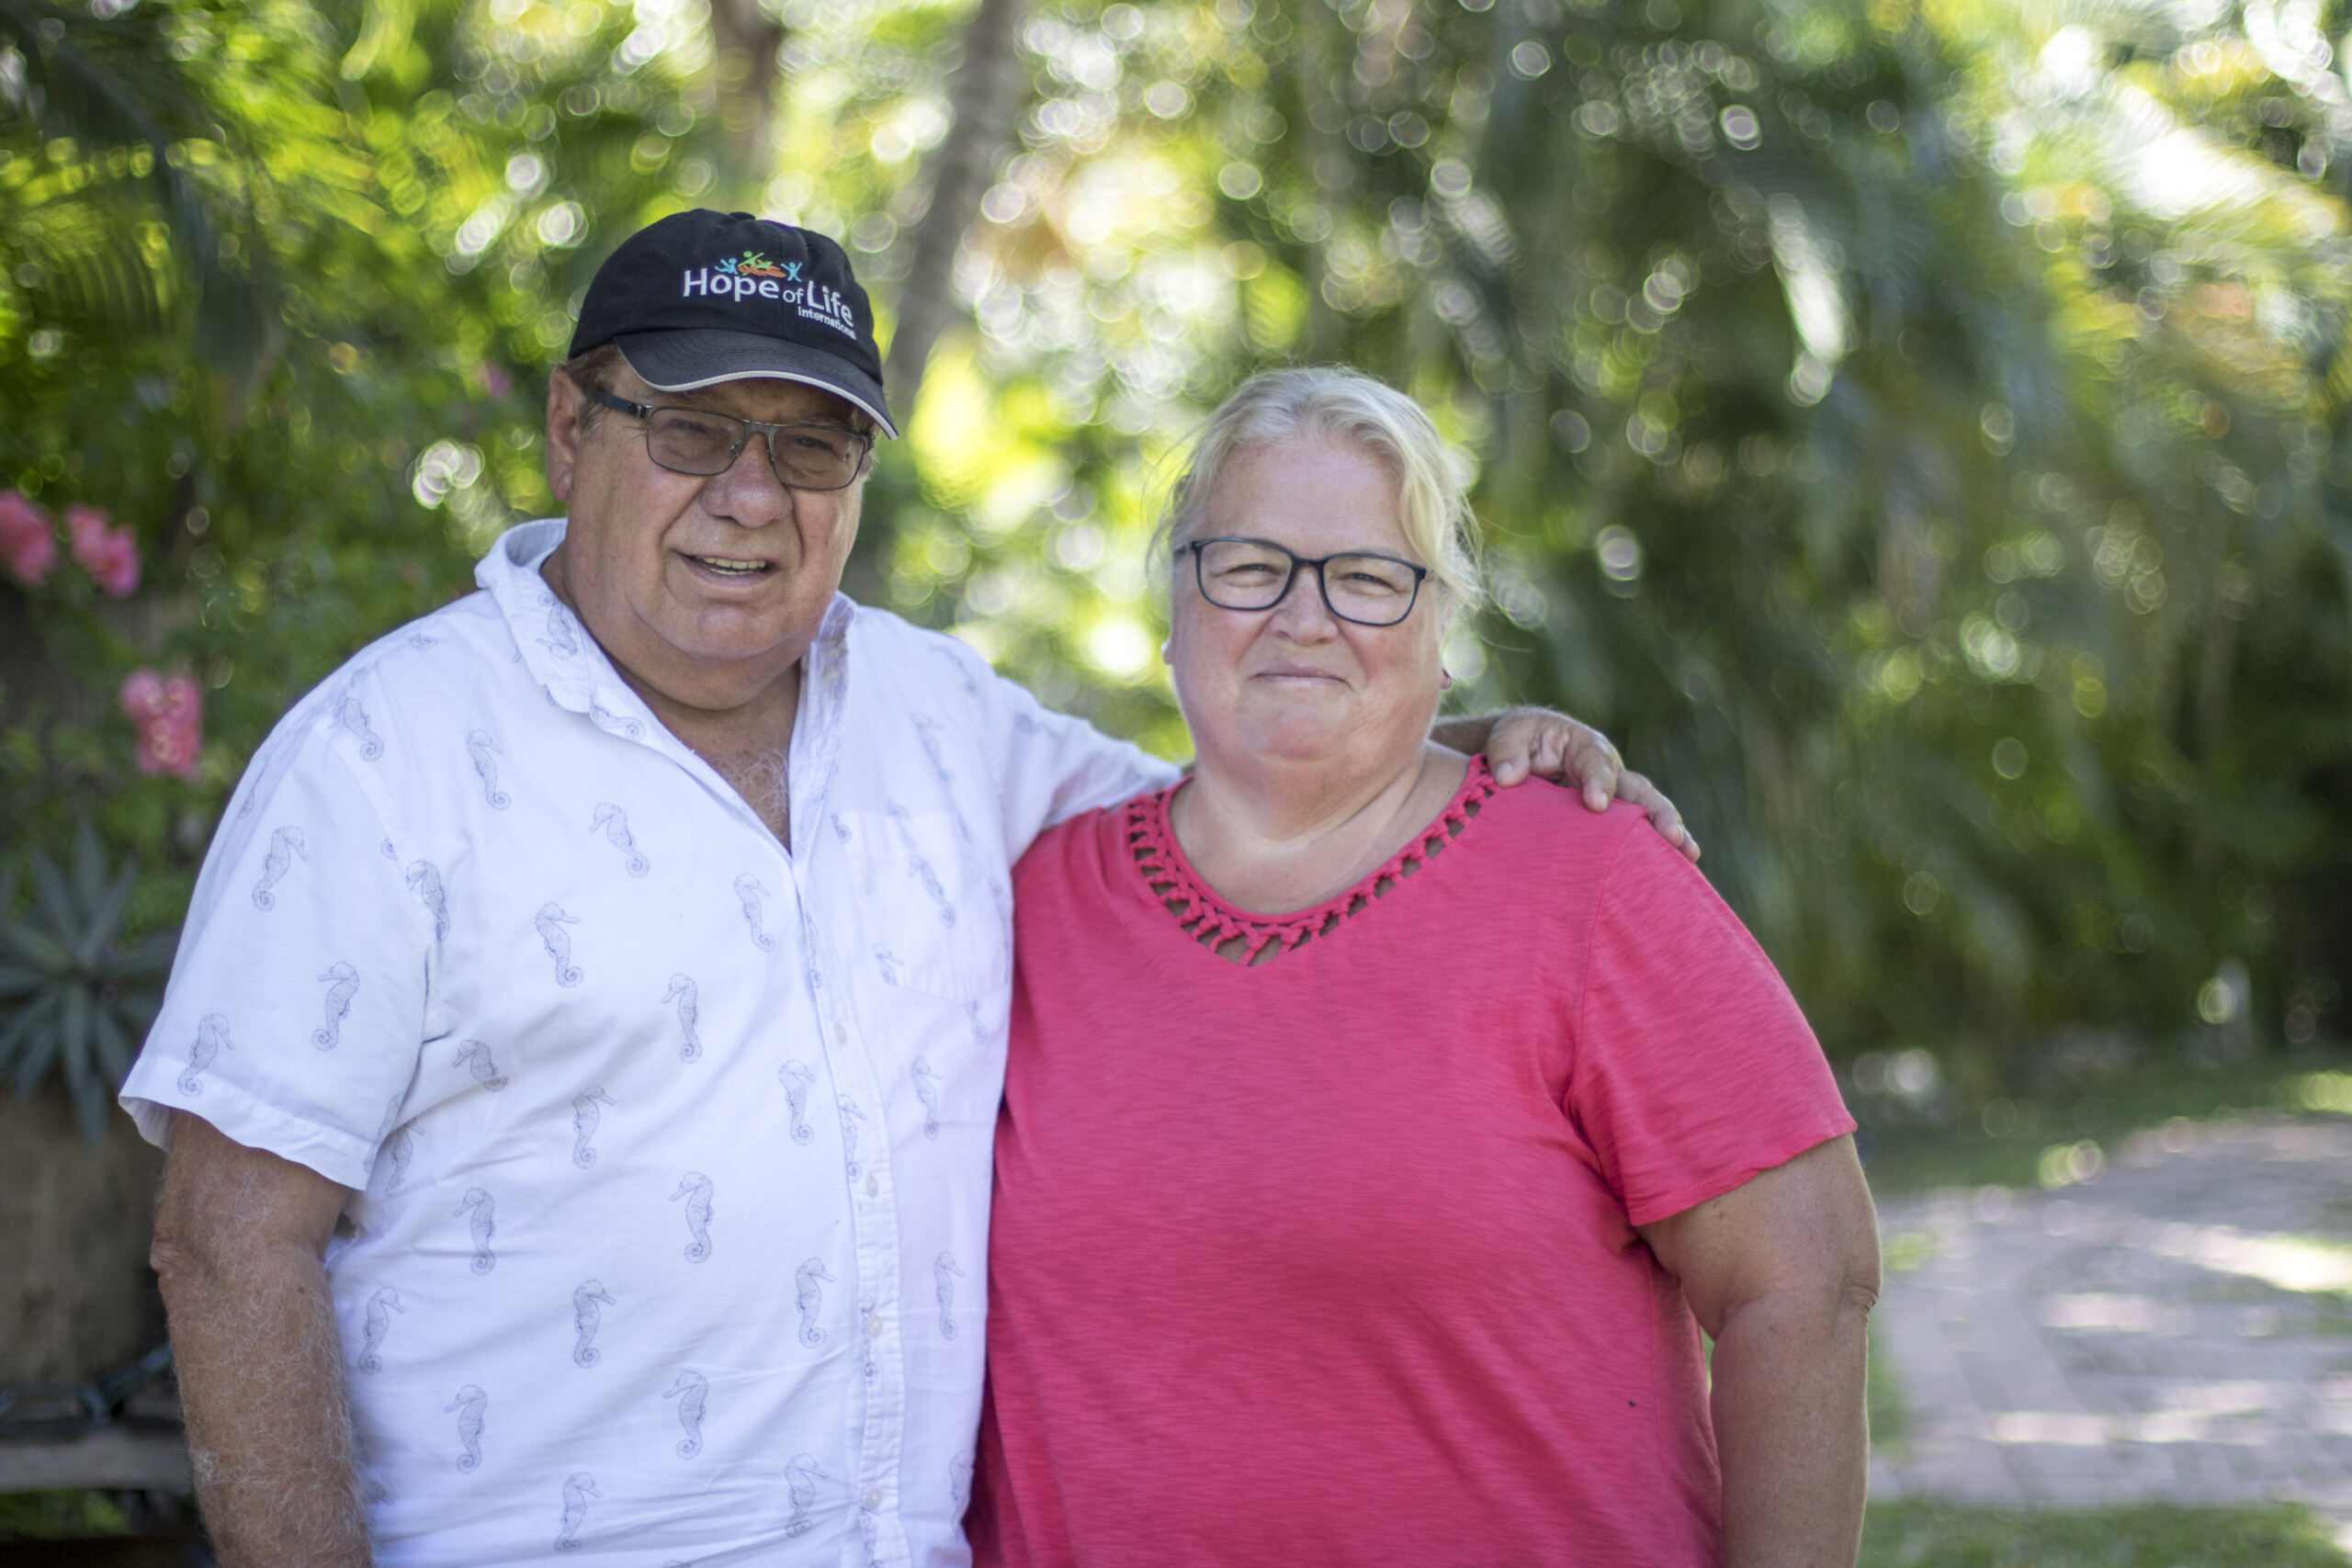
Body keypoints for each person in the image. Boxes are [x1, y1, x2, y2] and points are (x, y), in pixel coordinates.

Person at [116, 212, 1681, 1567]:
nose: (749, 493)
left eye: (809, 444)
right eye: (689, 427)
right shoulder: (386, 757)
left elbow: (1229, 821)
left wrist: (1436, 736)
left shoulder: (941, 718)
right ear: (568, 428)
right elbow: (231, 1239)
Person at [972, 367, 1881, 1568]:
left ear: (1441, 629)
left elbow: (1805, 1283)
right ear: (1175, 599)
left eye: (1367, 577)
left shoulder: (1589, 880)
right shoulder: (1022, 906)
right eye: (1250, 566)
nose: (1304, 618)